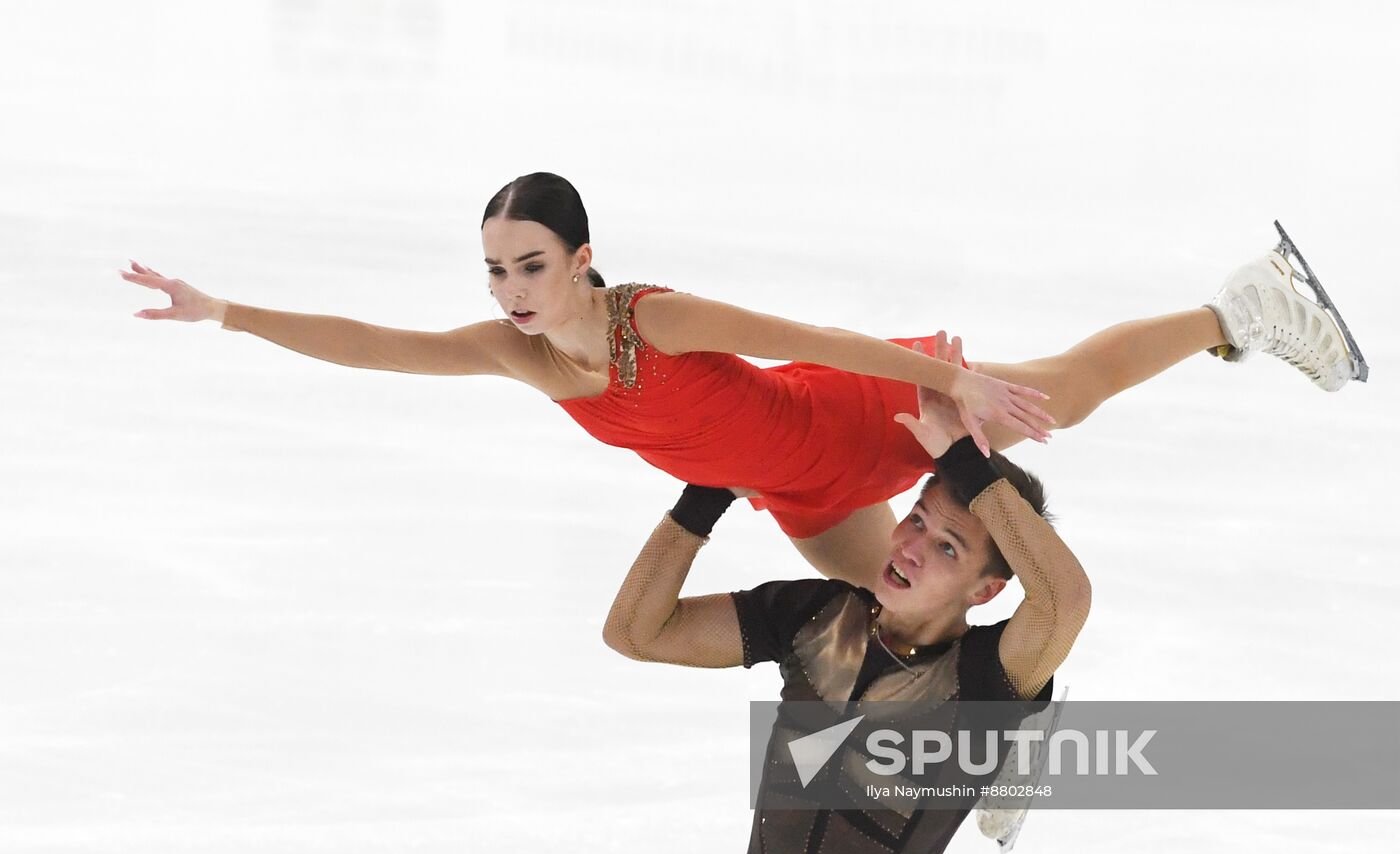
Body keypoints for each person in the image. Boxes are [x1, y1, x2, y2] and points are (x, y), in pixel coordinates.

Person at [119, 172, 1361, 587]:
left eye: (531, 265)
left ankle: (1234, 307)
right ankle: (993, 742)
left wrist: (947, 387)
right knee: (892, 615)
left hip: (856, 409)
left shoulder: (653, 319)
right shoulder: (516, 353)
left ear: (581, 255)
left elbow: (811, 338)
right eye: (495, 269)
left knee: (1059, 395)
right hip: (796, 494)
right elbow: (372, 342)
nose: (508, 292)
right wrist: (226, 312)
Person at [602, 337, 1089, 854]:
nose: (910, 547)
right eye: (917, 520)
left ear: (986, 592)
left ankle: (1017, 739)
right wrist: (707, 494)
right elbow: (636, 632)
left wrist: (962, 458)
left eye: (948, 548)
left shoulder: (985, 677)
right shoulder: (816, 617)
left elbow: (1065, 599)